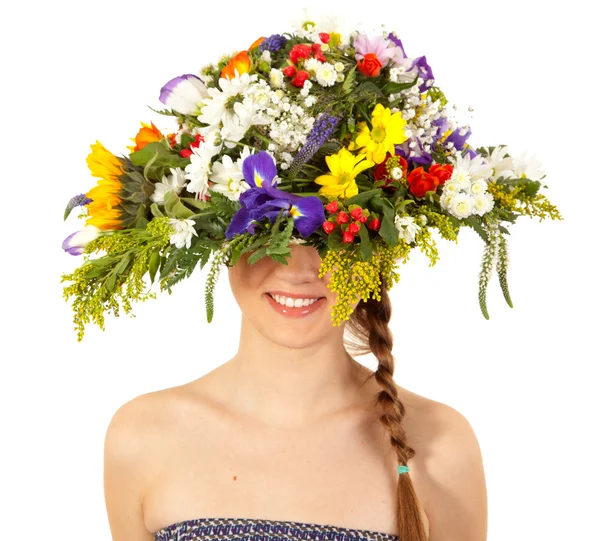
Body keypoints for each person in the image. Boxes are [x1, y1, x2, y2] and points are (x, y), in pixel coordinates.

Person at [103, 242, 487, 541]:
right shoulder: (143, 436)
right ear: (219, 235)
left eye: (332, 237)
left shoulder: (440, 445)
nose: (297, 269)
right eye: (267, 229)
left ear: (377, 250)